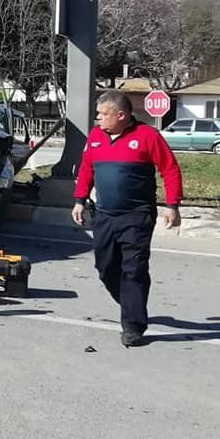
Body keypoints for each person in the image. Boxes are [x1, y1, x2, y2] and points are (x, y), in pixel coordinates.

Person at [71, 90, 183, 347]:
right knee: (106, 268)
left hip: (137, 215)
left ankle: (133, 326)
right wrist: (79, 200)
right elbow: (87, 167)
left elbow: (170, 169)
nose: (97, 118)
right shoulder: (96, 136)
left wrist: (172, 205)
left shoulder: (147, 136)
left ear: (121, 115)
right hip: (105, 215)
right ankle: (133, 303)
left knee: (133, 269)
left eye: (103, 114)